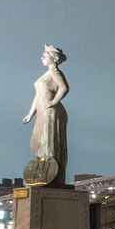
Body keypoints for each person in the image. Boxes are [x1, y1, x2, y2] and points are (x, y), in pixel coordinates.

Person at [21, 45, 68, 186]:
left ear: (53, 58)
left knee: (49, 144)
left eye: (45, 55)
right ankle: (43, 173)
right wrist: (30, 113)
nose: (42, 57)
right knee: (37, 143)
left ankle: (52, 176)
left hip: (51, 112)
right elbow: (38, 96)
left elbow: (64, 88)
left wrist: (53, 101)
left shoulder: (55, 73)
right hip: (42, 112)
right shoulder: (46, 75)